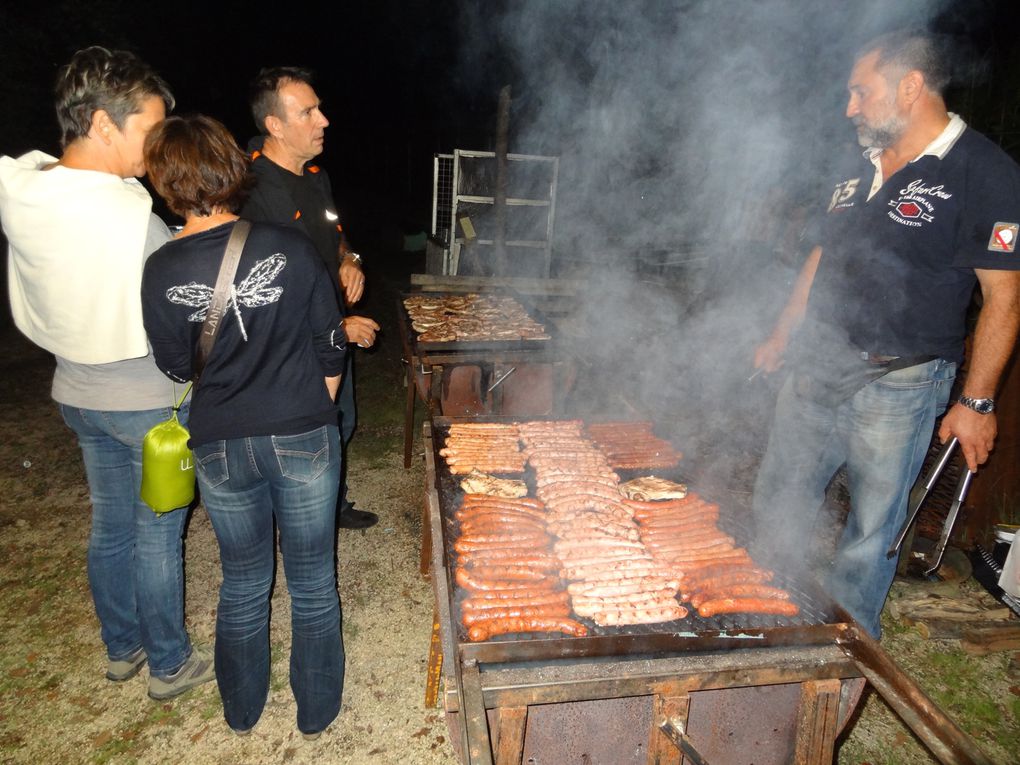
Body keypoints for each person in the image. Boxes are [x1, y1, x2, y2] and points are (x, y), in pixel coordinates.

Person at [751, 30, 1020, 639]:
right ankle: (756, 618)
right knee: (778, 500)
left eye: (859, 91)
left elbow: (1005, 296)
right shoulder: (857, 164)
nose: (850, 107)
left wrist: (976, 402)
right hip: (816, 362)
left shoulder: (985, 171)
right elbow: (820, 256)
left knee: (871, 531)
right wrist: (781, 335)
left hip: (900, 380)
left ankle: (846, 652)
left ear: (909, 86)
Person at [0, 46, 214, 699]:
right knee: (156, 532)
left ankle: (122, 648)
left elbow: (36, 162)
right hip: (146, 402)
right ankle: (169, 662)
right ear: (100, 123)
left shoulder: (22, 191)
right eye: (149, 130)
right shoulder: (129, 215)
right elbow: (182, 312)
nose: (158, 148)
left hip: (75, 391)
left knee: (110, 525)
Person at [141, 114, 347, 738]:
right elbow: (332, 342)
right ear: (233, 167)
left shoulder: (161, 268)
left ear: (166, 183)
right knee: (313, 583)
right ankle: (316, 713)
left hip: (222, 441)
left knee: (243, 580)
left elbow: (177, 364)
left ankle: (241, 710)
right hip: (302, 431)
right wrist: (315, 402)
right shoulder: (288, 248)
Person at [241, 66, 380, 530]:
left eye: (319, 108)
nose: (324, 120)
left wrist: (350, 259)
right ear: (275, 125)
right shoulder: (249, 188)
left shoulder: (316, 176)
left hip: (330, 333)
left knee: (340, 423)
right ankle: (297, 519)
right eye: (309, 112)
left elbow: (336, 233)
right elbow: (266, 286)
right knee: (302, 433)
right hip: (287, 344)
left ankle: (331, 506)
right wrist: (335, 327)